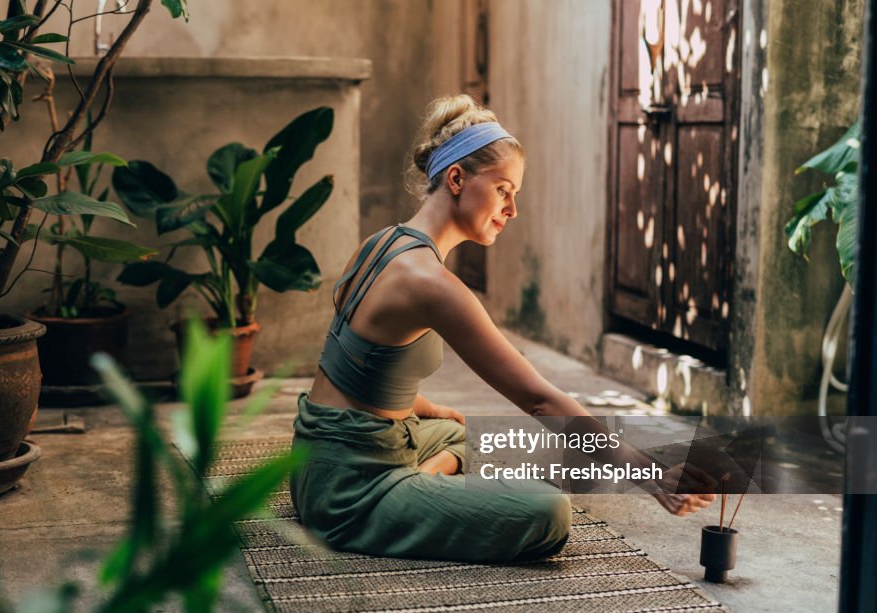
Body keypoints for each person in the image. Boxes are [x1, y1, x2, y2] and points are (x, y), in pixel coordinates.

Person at [290, 94, 715, 563]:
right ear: (456, 179)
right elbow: (540, 399)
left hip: (314, 456)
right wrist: (651, 475)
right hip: (348, 494)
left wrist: (427, 408)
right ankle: (410, 487)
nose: (512, 209)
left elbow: (351, 361)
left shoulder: (382, 243)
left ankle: (422, 477)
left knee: (473, 434)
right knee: (548, 511)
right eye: (503, 190)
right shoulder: (432, 284)